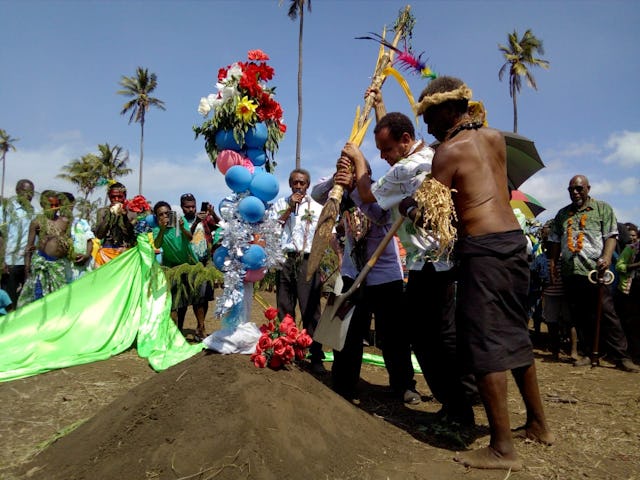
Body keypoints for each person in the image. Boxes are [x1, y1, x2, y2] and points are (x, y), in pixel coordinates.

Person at [415, 75, 553, 471]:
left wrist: (412, 207)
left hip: (484, 253)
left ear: (448, 109)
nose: (426, 126)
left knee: (484, 344)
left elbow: (434, 220)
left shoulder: (447, 152)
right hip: (513, 245)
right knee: (514, 333)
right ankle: (539, 424)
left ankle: (502, 447)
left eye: (429, 116)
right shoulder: (494, 138)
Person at [340, 94, 476, 422]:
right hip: (436, 260)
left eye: (386, 151)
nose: (383, 157)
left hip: (429, 264)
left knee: (431, 337)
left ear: (404, 141)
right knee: (437, 333)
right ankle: (462, 397)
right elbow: (396, 140)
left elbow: (371, 195)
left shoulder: (408, 166)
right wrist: (379, 106)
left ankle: (458, 406)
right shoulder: (427, 155)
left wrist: (358, 160)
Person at [311, 161, 418, 404]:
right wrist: (336, 179)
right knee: (347, 332)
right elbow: (317, 194)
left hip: (385, 274)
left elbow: (380, 216)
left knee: (393, 335)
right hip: (352, 273)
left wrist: (357, 189)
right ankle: (344, 384)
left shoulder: (378, 190)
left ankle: (404, 385)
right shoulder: (342, 196)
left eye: (354, 172)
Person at [549, 175, 638, 372]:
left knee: (607, 313)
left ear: (588, 188)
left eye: (579, 189)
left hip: (595, 271)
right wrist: (553, 264)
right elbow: (555, 241)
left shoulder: (602, 208)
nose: (575, 192)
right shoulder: (562, 214)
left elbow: (611, 236)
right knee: (580, 315)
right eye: (571, 189)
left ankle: (621, 357)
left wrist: (606, 258)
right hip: (571, 271)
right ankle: (589, 353)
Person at [272, 169, 325, 373]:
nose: (298, 186)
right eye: (295, 182)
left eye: (302, 183)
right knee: (284, 307)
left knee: (311, 309)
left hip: (307, 261)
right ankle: (288, 351)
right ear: (289, 183)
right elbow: (273, 229)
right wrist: (288, 208)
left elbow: (326, 234)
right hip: (285, 260)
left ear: (308, 185)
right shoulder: (280, 204)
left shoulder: (318, 208)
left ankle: (316, 355)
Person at [176, 193, 219, 340]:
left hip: (203, 263)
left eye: (193, 206)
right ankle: (178, 330)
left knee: (202, 298)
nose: (191, 209)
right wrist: (195, 223)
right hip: (184, 263)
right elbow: (186, 236)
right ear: (182, 207)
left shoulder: (205, 219)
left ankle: (201, 328)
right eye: (187, 207)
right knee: (182, 299)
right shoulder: (179, 222)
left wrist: (212, 213)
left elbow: (220, 226)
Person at [18, 190, 72, 306]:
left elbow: (68, 243)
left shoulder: (64, 222)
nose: (53, 208)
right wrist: (27, 269)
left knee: (58, 296)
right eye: (50, 205)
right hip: (41, 264)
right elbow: (29, 247)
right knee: (39, 294)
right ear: (43, 205)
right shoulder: (37, 222)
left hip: (58, 265)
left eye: (56, 205)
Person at [1, 179, 36, 305]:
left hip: (26, 263)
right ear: (17, 191)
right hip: (10, 263)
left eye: (32, 192)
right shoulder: (7, 209)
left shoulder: (33, 212)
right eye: (26, 192)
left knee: (24, 300)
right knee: (9, 301)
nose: (29, 195)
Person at [93, 182, 136, 266]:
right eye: (113, 197)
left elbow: (131, 235)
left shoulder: (132, 213)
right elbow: (99, 235)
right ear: (109, 197)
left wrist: (124, 216)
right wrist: (109, 215)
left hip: (125, 253)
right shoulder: (102, 212)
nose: (116, 199)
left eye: (119, 197)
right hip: (106, 252)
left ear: (125, 196)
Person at [614, 224, 639, 361]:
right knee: (631, 324)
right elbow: (619, 266)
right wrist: (636, 265)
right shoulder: (632, 249)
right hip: (629, 290)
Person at [62, 192, 95, 282]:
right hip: (66, 265)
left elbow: (90, 241)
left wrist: (87, 255)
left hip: (84, 264)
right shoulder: (56, 224)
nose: (66, 207)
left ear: (73, 204)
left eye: (68, 204)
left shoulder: (82, 222)